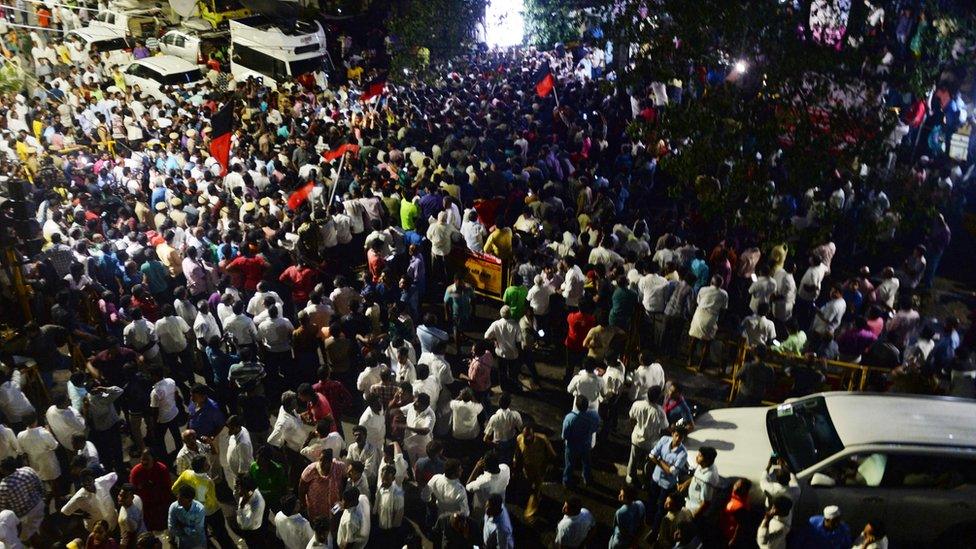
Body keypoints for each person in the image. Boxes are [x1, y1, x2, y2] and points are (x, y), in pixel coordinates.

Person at [647, 427, 689, 533]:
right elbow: (651, 455)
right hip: (655, 478)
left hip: (667, 485)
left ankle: (654, 529)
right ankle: (648, 520)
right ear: (673, 434)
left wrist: (659, 459)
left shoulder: (683, 454)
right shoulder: (664, 439)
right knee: (651, 500)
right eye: (676, 435)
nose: (678, 439)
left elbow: (672, 472)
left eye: (681, 437)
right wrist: (665, 465)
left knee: (662, 508)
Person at [512, 423, 556, 524]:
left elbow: (551, 453)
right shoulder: (519, 438)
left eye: (529, 437)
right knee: (530, 485)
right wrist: (515, 461)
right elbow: (517, 452)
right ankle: (538, 496)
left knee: (535, 489)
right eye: (525, 436)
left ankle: (530, 513)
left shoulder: (542, 439)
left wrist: (550, 464)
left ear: (533, 434)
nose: (526, 439)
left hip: (539, 469)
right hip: (527, 469)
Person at [627, 385, 666, 486]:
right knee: (648, 463)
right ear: (658, 398)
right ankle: (645, 480)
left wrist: (633, 431)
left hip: (637, 439)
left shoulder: (637, 405)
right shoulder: (659, 412)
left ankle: (631, 477)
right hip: (651, 443)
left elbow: (631, 419)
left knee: (633, 460)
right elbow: (664, 426)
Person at [128, 451, 172, 532]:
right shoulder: (136, 472)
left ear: (153, 460)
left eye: (147, 459)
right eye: (142, 459)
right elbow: (133, 490)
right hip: (145, 508)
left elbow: (167, 488)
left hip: (161, 505)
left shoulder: (162, 469)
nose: (144, 462)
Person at [561, 395, 600, 486]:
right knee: (586, 462)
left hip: (572, 445)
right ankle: (587, 478)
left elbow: (564, 435)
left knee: (569, 464)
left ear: (576, 405)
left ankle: (567, 481)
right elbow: (596, 427)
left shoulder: (569, 418)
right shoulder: (593, 415)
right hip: (586, 443)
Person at [680, 445, 720, 519]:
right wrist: (685, 484)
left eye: (700, 456)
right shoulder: (703, 465)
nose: (696, 457)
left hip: (694, 509)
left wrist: (695, 516)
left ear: (707, 460)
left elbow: (706, 502)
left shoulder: (708, 479)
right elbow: (695, 477)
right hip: (689, 502)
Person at [373, 465, 405, 543]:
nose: (384, 482)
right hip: (380, 524)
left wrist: (393, 529)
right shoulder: (380, 487)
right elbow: (377, 503)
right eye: (382, 479)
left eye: (387, 479)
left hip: (391, 530)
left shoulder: (398, 493)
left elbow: (398, 514)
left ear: (393, 479)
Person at [234, 475, 267, 547]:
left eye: (241, 488)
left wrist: (241, 507)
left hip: (252, 532)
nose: (239, 491)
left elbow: (244, 525)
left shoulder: (256, 505)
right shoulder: (247, 494)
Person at [609, 483, 646, 549]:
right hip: (633, 535)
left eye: (622, 495)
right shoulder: (640, 504)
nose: (619, 496)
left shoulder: (620, 513)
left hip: (621, 540)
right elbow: (642, 524)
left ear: (628, 498)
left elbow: (616, 526)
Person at [117, 483, 147, 549]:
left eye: (125, 497)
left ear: (132, 497)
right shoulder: (137, 498)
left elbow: (132, 537)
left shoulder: (127, 518)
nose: (121, 498)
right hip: (144, 533)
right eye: (120, 495)